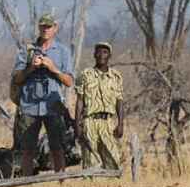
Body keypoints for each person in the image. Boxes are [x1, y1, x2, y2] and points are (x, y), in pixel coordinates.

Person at [10, 13, 74, 175]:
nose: (45, 30)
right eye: (43, 26)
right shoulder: (27, 50)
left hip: (53, 106)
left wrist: (53, 68)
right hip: (30, 106)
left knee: (57, 147)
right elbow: (16, 79)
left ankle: (61, 183)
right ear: (38, 27)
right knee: (27, 150)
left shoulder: (62, 51)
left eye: (49, 27)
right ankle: (27, 183)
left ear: (55, 28)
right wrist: (31, 67)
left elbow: (69, 81)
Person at [73, 40, 124, 172]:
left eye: (105, 52)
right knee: (90, 159)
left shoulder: (116, 77)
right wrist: (77, 124)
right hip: (90, 121)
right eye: (99, 52)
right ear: (94, 54)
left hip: (108, 122)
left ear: (109, 56)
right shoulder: (85, 75)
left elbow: (119, 100)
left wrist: (120, 123)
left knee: (114, 158)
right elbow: (79, 101)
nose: (102, 55)